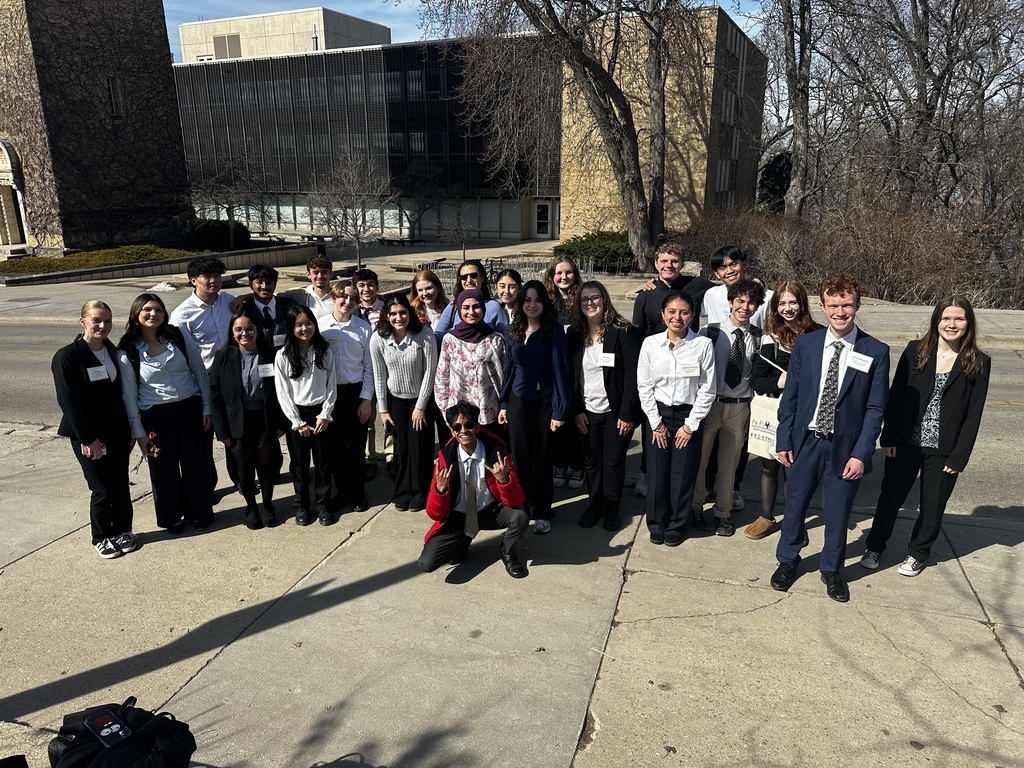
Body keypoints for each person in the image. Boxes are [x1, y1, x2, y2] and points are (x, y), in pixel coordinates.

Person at [769, 273, 890, 603]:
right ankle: (788, 560)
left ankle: (831, 569)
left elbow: (876, 408)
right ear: (822, 307)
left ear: (857, 305)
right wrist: (784, 439)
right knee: (794, 506)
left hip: (845, 447)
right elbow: (790, 397)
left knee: (838, 513)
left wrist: (862, 453)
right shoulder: (806, 345)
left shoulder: (875, 351)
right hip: (805, 441)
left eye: (847, 304)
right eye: (834, 305)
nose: (840, 311)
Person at [861, 296, 990, 577]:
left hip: (944, 449)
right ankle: (874, 546)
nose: (952, 324)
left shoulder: (978, 361)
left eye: (959, 319)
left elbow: (973, 416)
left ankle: (917, 553)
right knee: (890, 498)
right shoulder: (915, 351)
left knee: (932, 506)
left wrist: (959, 456)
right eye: (946, 318)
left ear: (969, 323)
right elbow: (896, 397)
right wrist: (888, 437)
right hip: (906, 441)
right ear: (936, 320)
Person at [117, 293, 214, 533]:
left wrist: (206, 407)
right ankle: (171, 518)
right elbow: (129, 395)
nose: (153, 314)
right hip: (155, 418)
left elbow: (199, 372)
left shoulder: (177, 335)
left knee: (197, 466)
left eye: (158, 309)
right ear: (136, 314)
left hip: (190, 409)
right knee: (162, 471)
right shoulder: (127, 350)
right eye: (147, 310)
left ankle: (199, 512)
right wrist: (138, 432)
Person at [52, 300, 135, 558]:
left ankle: (123, 530)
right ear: (83, 322)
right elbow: (69, 402)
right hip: (87, 435)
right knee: (101, 488)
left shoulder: (112, 351)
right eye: (97, 320)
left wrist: (130, 431)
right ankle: (101, 536)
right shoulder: (68, 356)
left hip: (117, 432)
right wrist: (89, 439)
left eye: (108, 321)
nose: (102, 326)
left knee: (121, 484)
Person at [631, 242, 714, 498]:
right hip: (656, 367)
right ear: (656, 264)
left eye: (675, 261)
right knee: (652, 429)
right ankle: (648, 474)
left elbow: (728, 289)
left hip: (687, 366)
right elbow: (637, 332)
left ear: (683, 264)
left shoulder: (696, 286)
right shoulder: (646, 294)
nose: (669, 266)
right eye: (664, 262)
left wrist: (752, 281)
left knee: (685, 440)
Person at [637, 292, 716, 545]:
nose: (677, 317)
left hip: (688, 414)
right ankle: (657, 522)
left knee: (683, 474)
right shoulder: (650, 344)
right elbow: (644, 386)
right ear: (663, 314)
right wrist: (656, 424)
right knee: (657, 472)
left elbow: (708, 388)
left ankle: (677, 524)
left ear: (692, 315)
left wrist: (690, 425)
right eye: (671, 311)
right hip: (657, 413)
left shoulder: (702, 345)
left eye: (683, 312)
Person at [417, 402, 530, 579]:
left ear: (477, 427)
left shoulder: (496, 451)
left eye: (469, 425)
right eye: (457, 427)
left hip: (489, 511)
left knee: (520, 516)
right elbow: (435, 514)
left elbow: (517, 500)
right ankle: (463, 540)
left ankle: (508, 552)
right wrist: (440, 491)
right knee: (427, 563)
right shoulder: (445, 459)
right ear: (452, 431)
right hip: (459, 517)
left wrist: (504, 480)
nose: (464, 431)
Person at [745, 280, 821, 540]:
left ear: (802, 303)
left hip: (806, 413)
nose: (788, 308)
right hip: (775, 411)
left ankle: (793, 519)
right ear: (775, 306)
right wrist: (778, 382)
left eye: (793, 302)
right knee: (770, 466)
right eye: (782, 303)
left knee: (795, 469)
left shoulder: (819, 334)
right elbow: (756, 380)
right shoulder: (771, 336)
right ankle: (766, 516)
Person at [693, 279, 766, 537]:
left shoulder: (760, 338)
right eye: (740, 301)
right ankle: (695, 506)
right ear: (730, 302)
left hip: (739, 408)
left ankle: (722, 513)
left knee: (729, 465)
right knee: (700, 461)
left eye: (751, 302)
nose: (745, 307)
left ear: (757, 306)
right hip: (711, 405)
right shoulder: (709, 333)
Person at [568, 281, 642, 532]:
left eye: (595, 298)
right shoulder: (575, 335)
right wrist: (577, 409)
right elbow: (571, 376)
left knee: (612, 462)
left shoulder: (623, 331)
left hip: (616, 412)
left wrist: (628, 414)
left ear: (605, 299)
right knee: (591, 462)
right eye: (584, 300)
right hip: (586, 411)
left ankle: (612, 508)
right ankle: (594, 505)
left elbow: (633, 377)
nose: (590, 303)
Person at [498, 280, 570, 533]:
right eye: (527, 300)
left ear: (544, 303)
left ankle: (542, 511)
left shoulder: (554, 331)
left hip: (545, 403)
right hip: (518, 401)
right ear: (521, 303)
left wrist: (560, 410)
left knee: (542, 457)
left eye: (537, 300)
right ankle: (522, 507)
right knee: (519, 457)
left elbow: (561, 372)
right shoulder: (513, 330)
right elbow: (509, 370)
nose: (532, 305)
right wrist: (504, 403)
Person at [209, 310, 289, 530]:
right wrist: (221, 431)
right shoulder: (223, 356)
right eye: (239, 329)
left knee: (265, 465)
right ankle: (251, 506)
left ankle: (267, 505)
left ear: (257, 330)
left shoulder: (271, 354)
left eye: (250, 328)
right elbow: (214, 394)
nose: (245, 333)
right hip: (237, 423)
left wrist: (282, 422)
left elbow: (283, 391)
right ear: (232, 332)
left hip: (265, 420)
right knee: (244, 468)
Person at [169, 256, 235, 492]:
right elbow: (178, 354)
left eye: (217, 276)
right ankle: (208, 487)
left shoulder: (230, 302)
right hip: (202, 381)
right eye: (207, 277)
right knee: (204, 437)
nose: (213, 281)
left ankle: (240, 480)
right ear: (193, 280)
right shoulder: (181, 315)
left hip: (230, 378)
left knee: (233, 432)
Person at [371, 294, 438, 512]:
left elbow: (430, 372)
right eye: (393, 314)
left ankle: (421, 492)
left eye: (402, 312)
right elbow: (379, 376)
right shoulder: (378, 339)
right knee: (400, 450)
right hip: (396, 401)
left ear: (409, 312)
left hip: (420, 401)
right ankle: (403, 491)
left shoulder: (425, 336)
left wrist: (420, 406)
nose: (398, 317)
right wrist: (382, 409)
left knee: (419, 449)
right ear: (386, 316)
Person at [275, 305, 337, 526]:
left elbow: (331, 386)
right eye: (298, 324)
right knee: (300, 465)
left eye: (308, 323)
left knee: (323, 464)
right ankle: (302, 505)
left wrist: (325, 414)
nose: (304, 328)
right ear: (291, 328)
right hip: (297, 414)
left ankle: (322, 505)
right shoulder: (283, 355)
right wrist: (296, 421)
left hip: (320, 412)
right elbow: (282, 392)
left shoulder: (324, 351)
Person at [317, 282, 373, 513]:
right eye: (343, 297)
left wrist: (366, 400)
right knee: (335, 448)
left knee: (357, 447)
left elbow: (370, 367)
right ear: (334, 298)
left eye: (352, 298)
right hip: (330, 394)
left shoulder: (364, 328)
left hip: (356, 392)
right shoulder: (320, 327)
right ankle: (340, 490)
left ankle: (358, 492)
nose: (348, 302)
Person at [434, 289, 507, 431]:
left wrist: (504, 406)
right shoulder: (450, 339)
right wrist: (446, 412)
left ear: (483, 308)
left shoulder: (495, 339)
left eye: (476, 307)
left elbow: (503, 377)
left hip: (490, 414)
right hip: (459, 417)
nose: (471, 312)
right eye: (466, 307)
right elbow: (442, 378)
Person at [542, 255, 585, 489]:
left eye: (568, 272)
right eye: (559, 273)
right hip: (554, 369)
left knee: (576, 419)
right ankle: (559, 463)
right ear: (551, 276)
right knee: (557, 418)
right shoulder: (546, 303)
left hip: (579, 367)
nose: (564, 277)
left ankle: (577, 466)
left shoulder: (583, 299)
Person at [408, 268, 451, 447]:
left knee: (445, 427)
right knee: (422, 430)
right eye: (420, 290)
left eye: (429, 288)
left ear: (438, 288)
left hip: (445, 377)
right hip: (421, 378)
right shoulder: (411, 313)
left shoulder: (450, 310)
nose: (425, 293)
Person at [351, 268, 386, 480]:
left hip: (385, 371)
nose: (366, 289)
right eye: (362, 285)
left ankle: (391, 456)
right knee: (367, 418)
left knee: (387, 416)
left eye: (370, 284)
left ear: (377, 287)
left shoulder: (385, 309)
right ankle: (370, 458)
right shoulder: (351, 310)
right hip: (362, 372)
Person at [432, 259, 509, 341]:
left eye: (473, 275)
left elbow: (504, 339)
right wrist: (456, 331)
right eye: (464, 277)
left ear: (482, 277)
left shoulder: (494, 307)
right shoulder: (453, 307)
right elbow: (437, 336)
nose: (468, 280)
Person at [240, 264, 298, 351]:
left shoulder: (289, 307)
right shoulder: (244, 311)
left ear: (275, 284)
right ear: (251, 285)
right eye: (259, 282)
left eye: (269, 282)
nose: (264, 286)